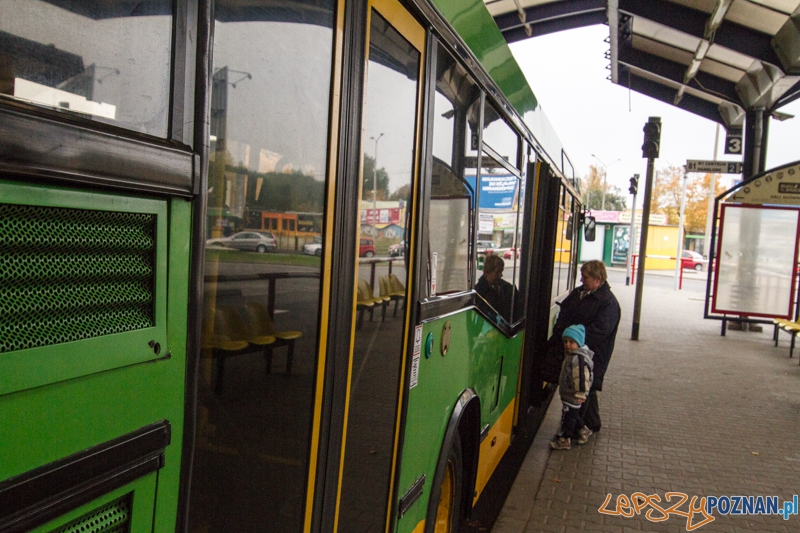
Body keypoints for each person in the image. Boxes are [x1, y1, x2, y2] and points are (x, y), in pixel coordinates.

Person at [551, 260, 620, 432]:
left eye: (586, 277)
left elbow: (599, 332)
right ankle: (592, 423)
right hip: (576, 351)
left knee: (581, 388)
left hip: (591, 354)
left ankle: (574, 429)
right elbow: (564, 311)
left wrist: (573, 336)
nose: (582, 280)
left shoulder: (609, 303)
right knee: (585, 386)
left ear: (598, 279)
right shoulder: (579, 293)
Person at [550, 324, 594, 450]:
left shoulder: (577, 358)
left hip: (573, 395)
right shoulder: (573, 355)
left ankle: (564, 439)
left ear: (579, 343)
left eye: (572, 342)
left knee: (567, 418)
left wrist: (581, 393)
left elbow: (581, 378)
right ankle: (583, 430)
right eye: (566, 341)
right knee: (572, 416)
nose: (567, 345)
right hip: (570, 394)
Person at [475, 254, 519, 323]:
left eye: (501, 271)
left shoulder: (508, 288)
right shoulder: (478, 293)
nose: (501, 275)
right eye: (497, 272)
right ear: (487, 272)